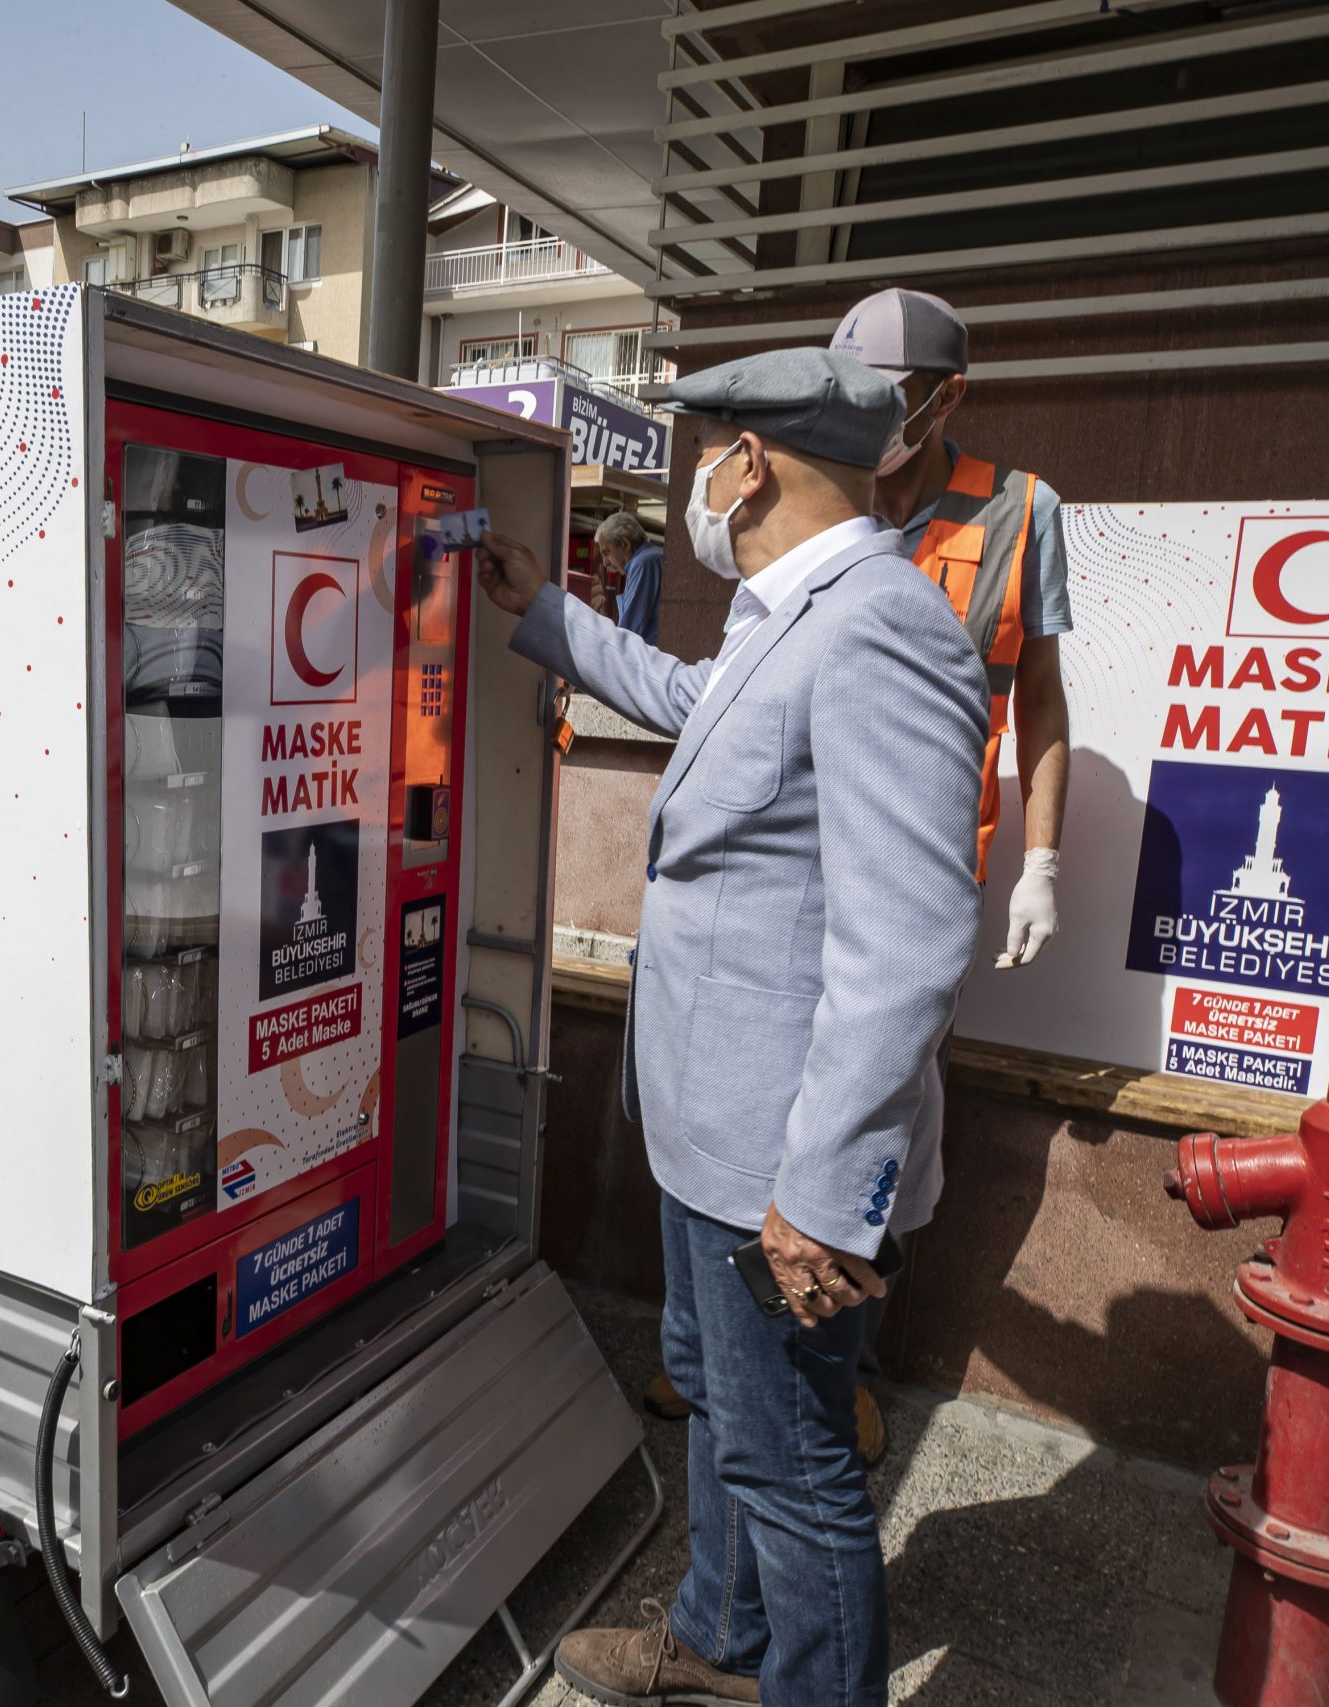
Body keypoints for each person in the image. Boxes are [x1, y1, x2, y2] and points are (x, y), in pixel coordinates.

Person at [475, 348, 987, 1707]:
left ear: (749, 463)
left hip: (783, 1162)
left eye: (711, 454)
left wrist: (824, 1197)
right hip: (718, 1133)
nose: (703, 479)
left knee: (794, 1456)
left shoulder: (883, 624)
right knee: (717, 1393)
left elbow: (912, 939)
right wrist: (556, 617)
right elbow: (711, 718)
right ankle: (715, 1638)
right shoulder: (793, 612)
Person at [831, 288, 1072, 966]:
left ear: (948, 396)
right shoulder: (820, 503)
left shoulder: (1021, 511)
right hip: (809, 854)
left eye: (883, 395)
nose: (861, 415)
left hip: (932, 873)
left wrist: (1042, 861)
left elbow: (1041, 693)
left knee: (908, 1068)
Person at [592, 510, 665, 644]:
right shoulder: (651, 557)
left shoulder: (643, 563)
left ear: (625, 544)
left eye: (606, 553)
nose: (605, 562)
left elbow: (629, 632)